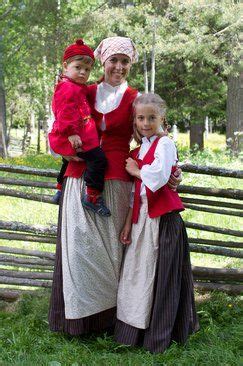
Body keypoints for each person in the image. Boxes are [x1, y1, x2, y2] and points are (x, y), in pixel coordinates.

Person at [48, 37, 181, 336]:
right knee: (80, 248)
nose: (118, 67)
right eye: (113, 60)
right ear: (103, 62)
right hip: (79, 174)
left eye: (125, 61)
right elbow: (60, 121)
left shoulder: (135, 98)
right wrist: (60, 149)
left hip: (119, 178)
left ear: (130, 64)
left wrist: (173, 169)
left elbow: (153, 135)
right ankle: (80, 320)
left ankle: (110, 321)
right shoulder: (83, 89)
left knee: (113, 252)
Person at [114, 93, 199, 353]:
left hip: (163, 221)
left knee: (162, 278)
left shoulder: (165, 144)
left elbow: (160, 176)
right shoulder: (138, 150)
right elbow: (135, 194)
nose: (146, 122)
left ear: (162, 118)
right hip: (142, 223)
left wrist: (137, 170)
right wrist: (128, 224)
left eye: (152, 117)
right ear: (135, 121)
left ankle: (159, 335)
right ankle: (134, 332)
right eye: (141, 118)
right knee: (138, 277)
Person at [49, 39, 110, 216]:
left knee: (66, 160)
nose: (83, 72)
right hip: (75, 137)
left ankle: (60, 189)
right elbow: (65, 111)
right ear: (66, 66)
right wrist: (71, 133)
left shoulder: (74, 86)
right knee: (98, 159)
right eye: (78, 68)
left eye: (87, 69)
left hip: (74, 135)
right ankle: (92, 196)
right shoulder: (69, 88)